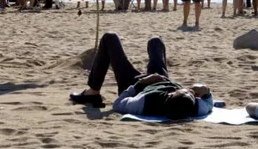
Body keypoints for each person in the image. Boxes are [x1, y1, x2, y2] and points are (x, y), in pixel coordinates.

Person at [70, 32, 213, 119]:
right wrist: (202, 90)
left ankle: (93, 92)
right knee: (156, 42)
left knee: (110, 38)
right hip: (161, 80)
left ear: (170, 95)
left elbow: (118, 104)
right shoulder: (195, 107)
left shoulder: (144, 102)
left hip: (135, 86)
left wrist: (142, 83)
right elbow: (208, 98)